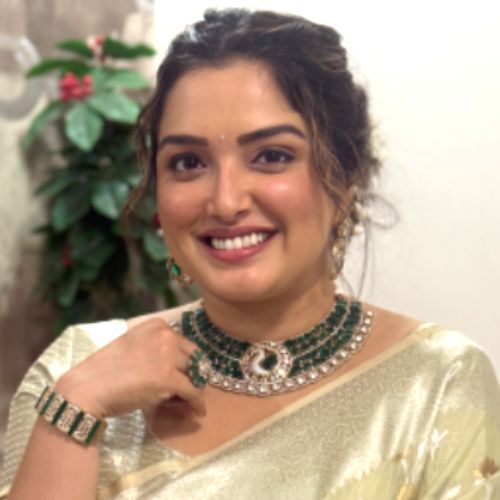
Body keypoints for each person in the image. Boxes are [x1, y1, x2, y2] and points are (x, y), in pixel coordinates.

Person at [1, 8, 500, 499]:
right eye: (188, 162)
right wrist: (75, 408)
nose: (225, 201)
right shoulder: (78, 369)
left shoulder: (436, 381)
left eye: (271, 156)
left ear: (344, 180)